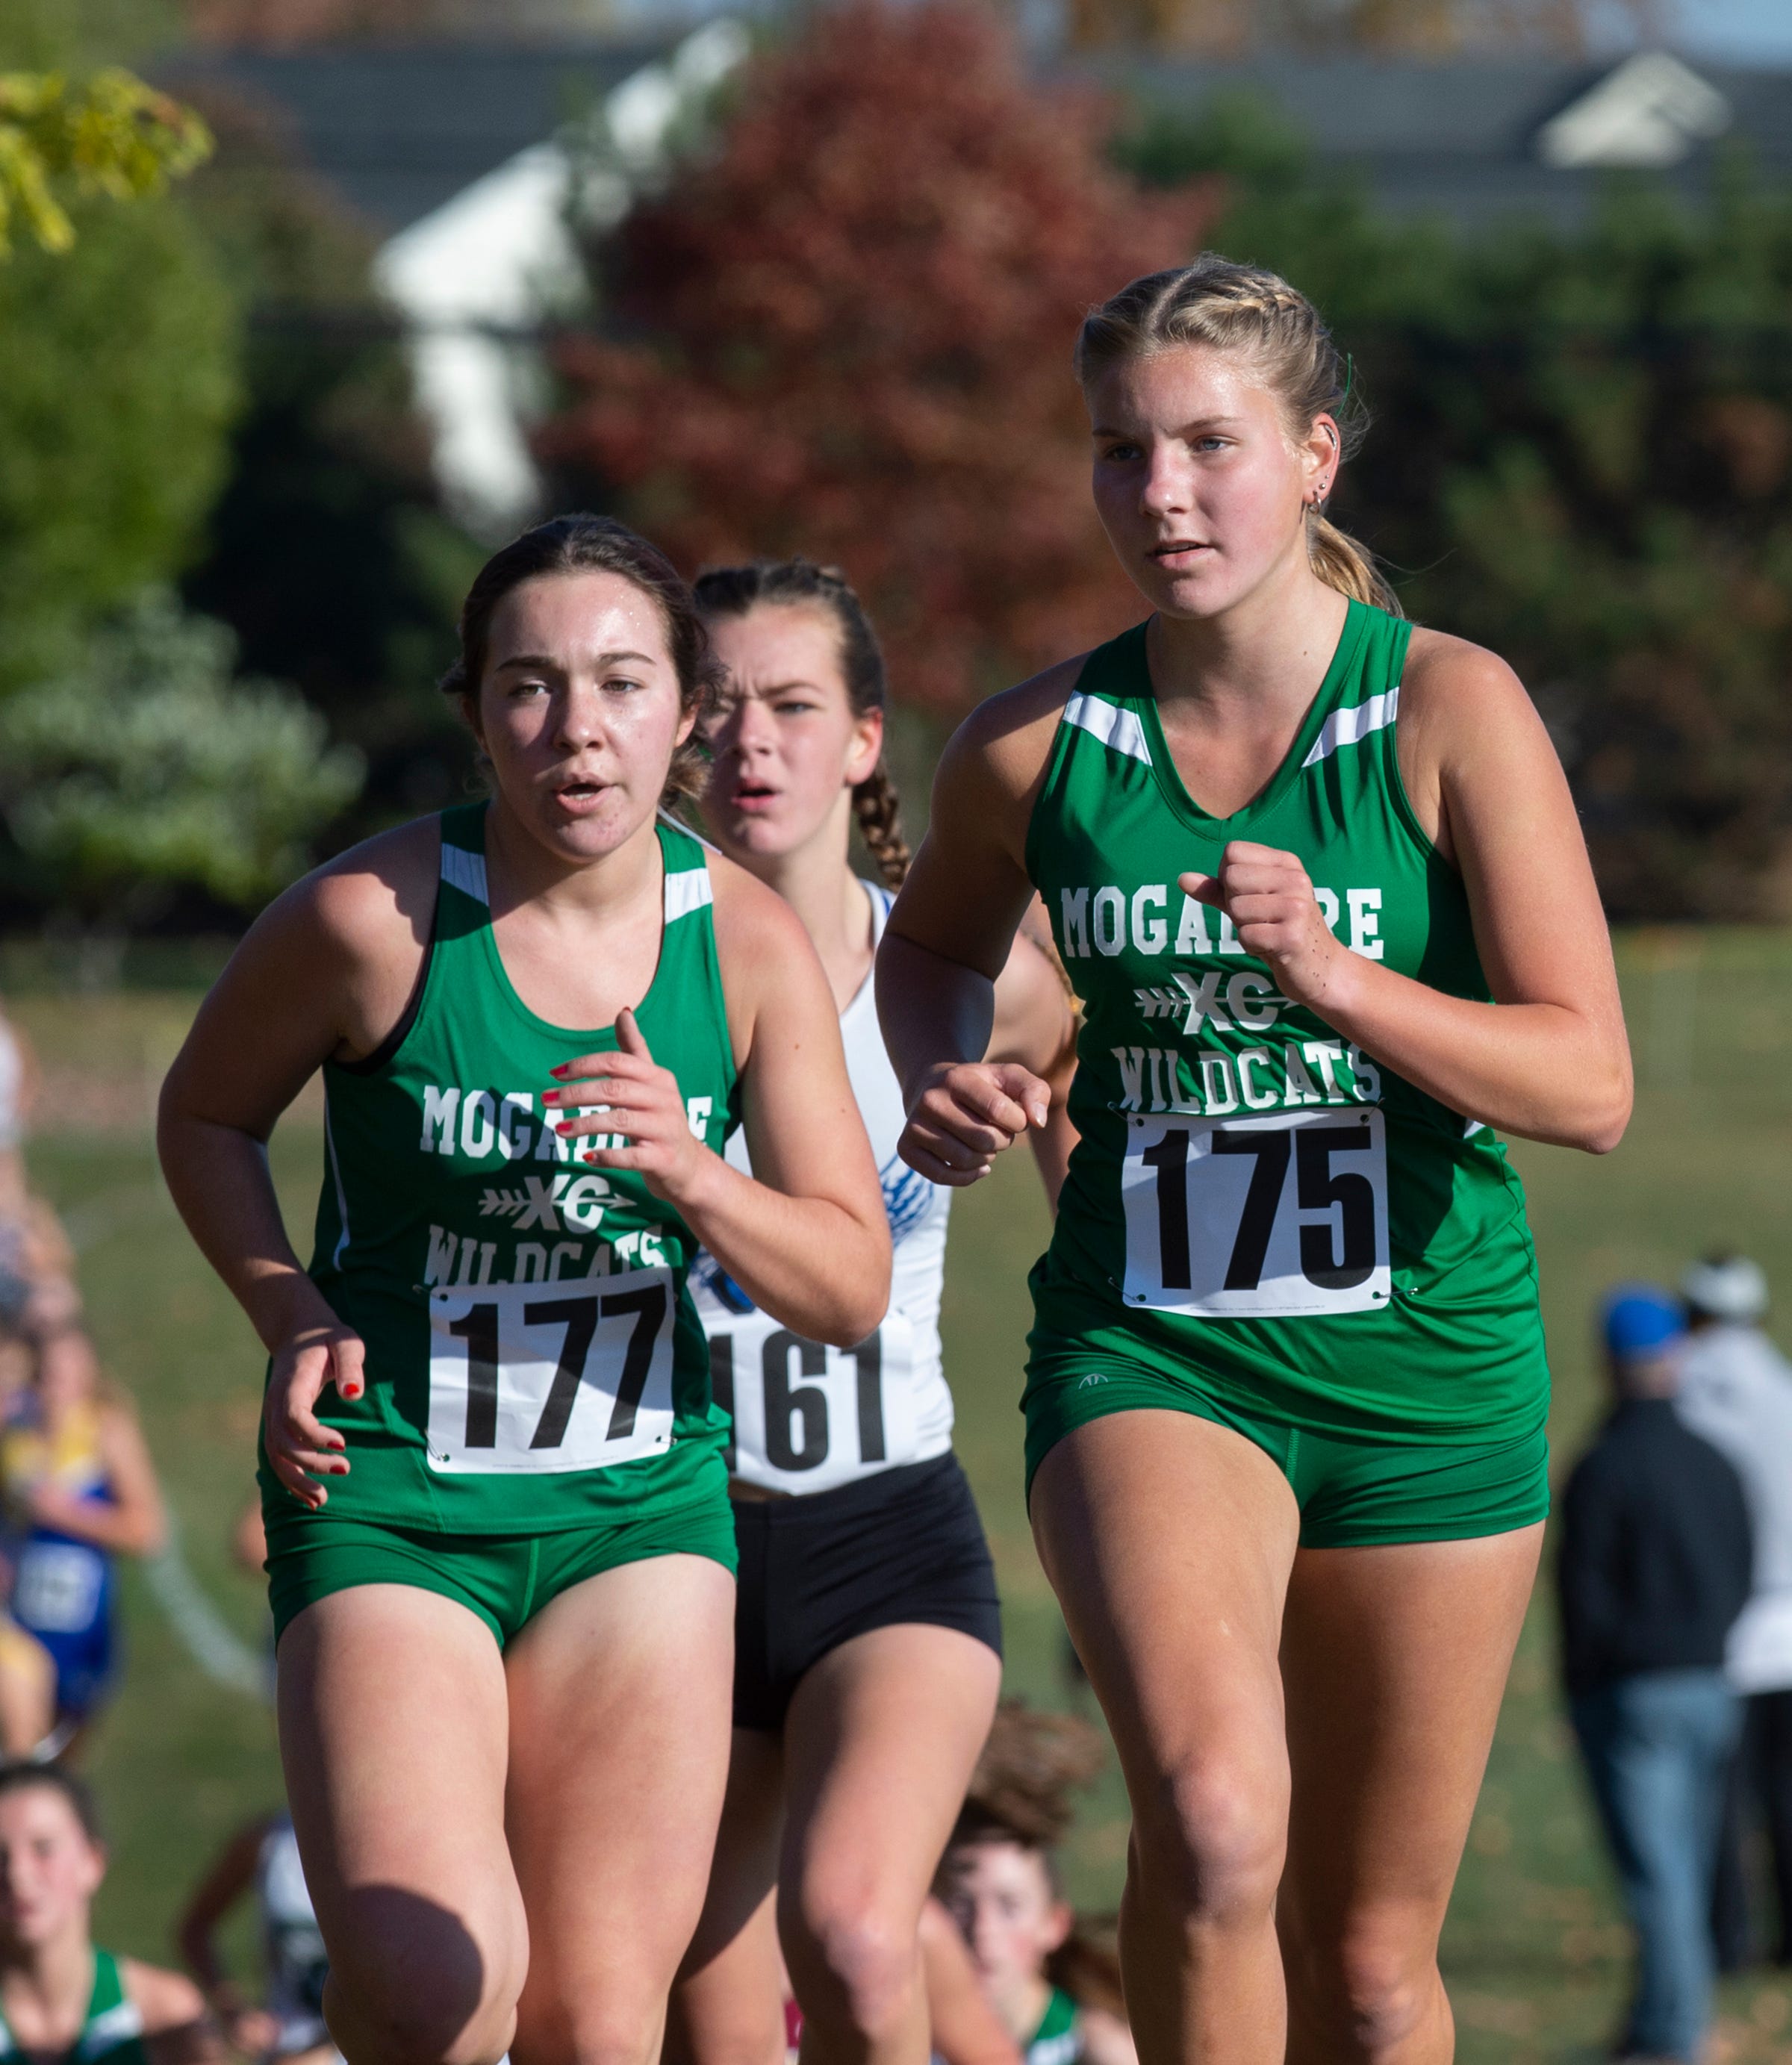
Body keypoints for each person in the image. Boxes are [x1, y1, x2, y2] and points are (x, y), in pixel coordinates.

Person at [876, 254, 1632, 2064]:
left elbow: (1584, 1081)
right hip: (1157, 1345)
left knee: (1367, 1971)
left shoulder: (1448, 712)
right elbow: (923, 958)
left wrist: (1331, 974)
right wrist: (947, 1077)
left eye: (1204, 447)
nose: (1158, 496)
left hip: (1423, 1368)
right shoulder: (1039, 745)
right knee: (1214, 1823)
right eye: (1119, 452)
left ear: (1309, 456)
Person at [156, 514, 892, 2065]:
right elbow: (206, 1115)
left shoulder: (744, 947)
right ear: (476, 708)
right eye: (531, 687)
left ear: (688, 713)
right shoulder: (377, 925)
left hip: (637, 1509)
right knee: (437, 1990)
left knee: (595, 2027)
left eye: (622, 685)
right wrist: (290, 1305)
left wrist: (692, 1171)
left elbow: (846, 1283)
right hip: (398, 1492)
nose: (577, 731)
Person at [666, 558, 1077, 2065]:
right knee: (699, 2005)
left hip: (883, 1533)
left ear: (862, 741)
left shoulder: (963, 977)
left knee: (850, 1934)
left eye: (789, 708)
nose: (746, 747)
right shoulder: (594, 972)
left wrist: (1056, 1173)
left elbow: (1080, 1058)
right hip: (667, 1544)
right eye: (713, 712)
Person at [1558, 1284, 1753, 2065]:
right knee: (1690, 1863)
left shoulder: (1603, 1467)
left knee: (1657, 1874)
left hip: (1632, 1695)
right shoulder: (1715, 1461)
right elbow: (1743, 1565)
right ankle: (1659, 2017)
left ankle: (1677, 2035)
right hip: (1714, 1684)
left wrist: (1585, 1686)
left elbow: (1585, 1599)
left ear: (1609, 1362)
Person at [1672, 1253, 1792, 1969]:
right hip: (1791, 1617)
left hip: (1722, 1620)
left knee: (1717, 1801)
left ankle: (1729, 1940)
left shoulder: (1686, 1389)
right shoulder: (1782, 1382)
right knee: (1785, 1790)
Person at [936, 1704, 1133, 2065]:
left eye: (1009, 1906)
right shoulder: (903, 2038)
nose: (983, 1930)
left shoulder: (1096, 2050)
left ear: (1054, 1925)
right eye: (961, 1902)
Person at [0, 1325, 167, 1751]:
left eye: (70, 1372)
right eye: (49, 1373)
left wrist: (62, 1512)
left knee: (60, 1759)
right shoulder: (18, 1439)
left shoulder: (106, 1432)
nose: (58, 1385)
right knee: (23, 1748)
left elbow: (146, 1531)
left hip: (84, 1623)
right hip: (22, 1619)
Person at [0, 1760, 217, 2065]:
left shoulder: (163, 2014)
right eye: (0, 1856)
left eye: (44, 1848)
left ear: (92, 1861)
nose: (17, 1875)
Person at [178, 1808, 336, 2065]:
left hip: (368, 2049)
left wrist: (324, 2051)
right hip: (285, 2046)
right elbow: (195, 1928)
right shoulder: (270, 1841)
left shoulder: (397, 1843)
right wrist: (232, 2009)